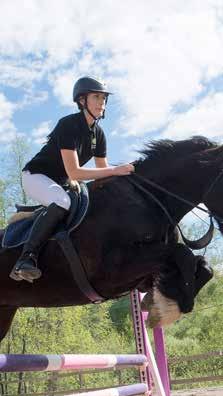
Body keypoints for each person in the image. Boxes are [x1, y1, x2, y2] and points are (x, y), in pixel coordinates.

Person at [10, 76, 134, 283]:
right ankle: (25, 259)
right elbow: (75, 172)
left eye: (104, 98)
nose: (102, 102)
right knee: (62, 201)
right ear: (82, 101)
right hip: (36, 176)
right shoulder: (69, 124)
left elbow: (103, 170)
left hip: (60, 182)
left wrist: (129, 174)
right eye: (96, 97)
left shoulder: (99, 134)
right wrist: (116, 170)